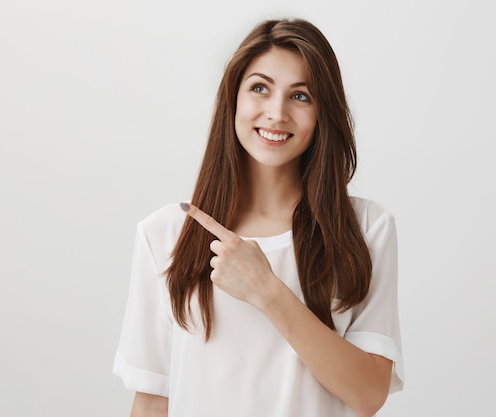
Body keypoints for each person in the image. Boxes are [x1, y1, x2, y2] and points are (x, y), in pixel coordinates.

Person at [113, 18, 404, 417]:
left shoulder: (366, 229)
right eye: (260, 88)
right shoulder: (164, 234)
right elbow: (151, 399)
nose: (277, 113)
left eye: (301, 96)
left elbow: (369, 393)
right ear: (233, 97)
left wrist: (268, 292)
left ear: (323, 114)